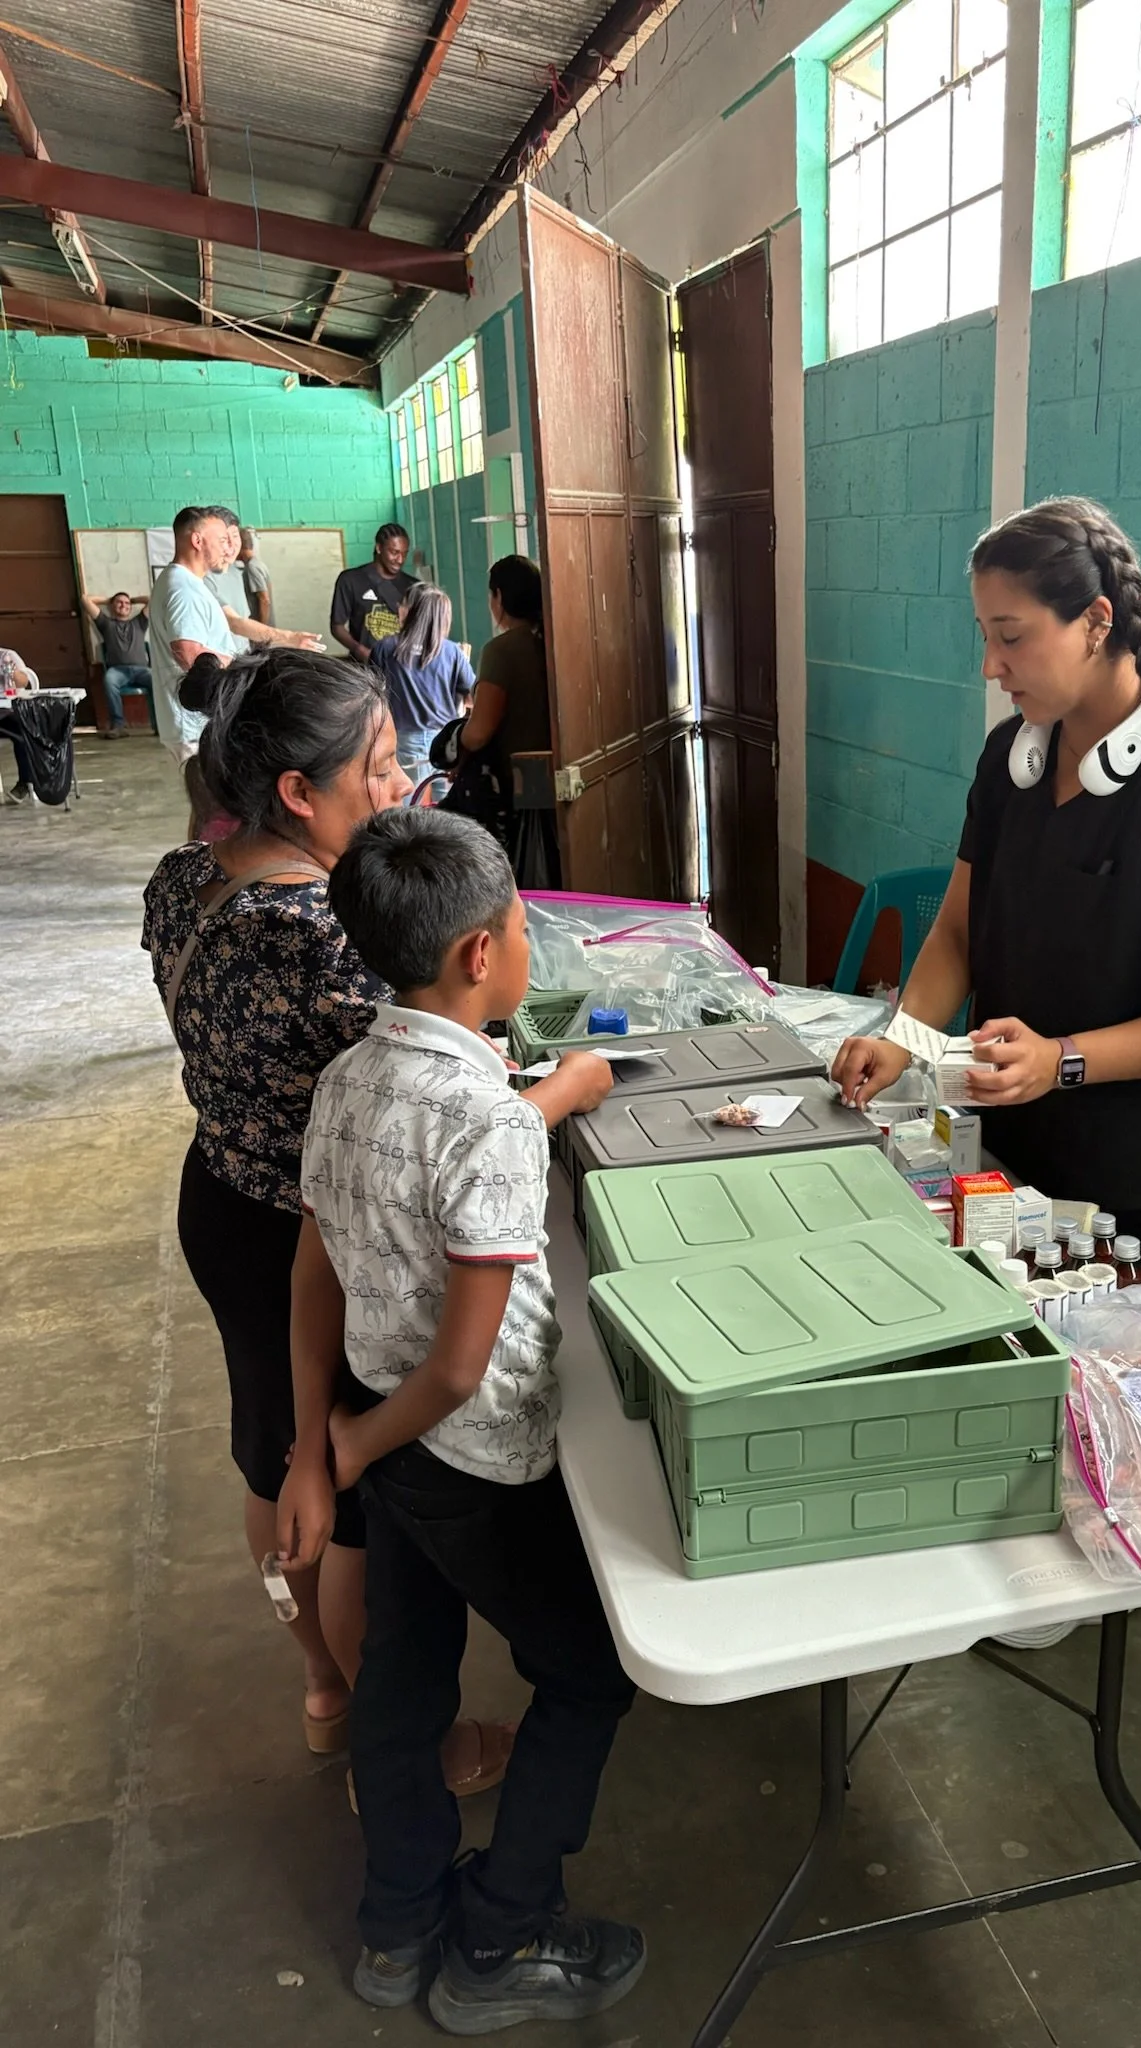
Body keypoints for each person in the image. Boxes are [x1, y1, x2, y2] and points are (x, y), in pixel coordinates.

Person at [279, 806, 643, 2031]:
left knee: (404, 1678)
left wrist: (322, 1444)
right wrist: (348, 1451)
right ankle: (502, 1933)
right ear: (483, 954)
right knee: (588, 1673)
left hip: (384, 1432)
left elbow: (314, 1268)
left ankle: (396, 1928)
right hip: (465, 1454)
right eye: (525, 924)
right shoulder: (483, 1119)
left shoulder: (348, 1077)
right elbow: (459, 1367)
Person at [141, 651, 513, 1797]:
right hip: (321, 1235)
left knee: (273, 1448)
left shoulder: (182, 877)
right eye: (383, 766)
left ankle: (326, 1690)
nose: (401, 783)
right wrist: (555, 1087)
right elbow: (444, 1094)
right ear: (300, 793)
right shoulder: (319, 932)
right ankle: (406, 1742)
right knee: (344, 1489)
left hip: (224, 1197)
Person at [833, 497, 1141, 1281]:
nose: (991, 666)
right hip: (1002, 1133)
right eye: (986, 638)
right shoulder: (1009, 761)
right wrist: (902, 1039)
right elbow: (957, 932)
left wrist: (1062, 1061)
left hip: (1119, 1175)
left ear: (1095, 621)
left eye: (1011, 637)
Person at [148, 506, 322, 831]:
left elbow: (232, 624)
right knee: (215, 810)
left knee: (210, 807)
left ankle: (206, 867)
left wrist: (285, 639)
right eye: (221, 539)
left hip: (199, 720)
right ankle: (207, 872)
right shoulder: (182, 588)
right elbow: (191, 654)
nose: (228, 547)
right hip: (197, 721)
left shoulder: (189, 583)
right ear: (198, 540)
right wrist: (247, 667)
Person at [453, 555, 559, 886]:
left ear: (499, 596)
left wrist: (456, 738)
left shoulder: (503, 649)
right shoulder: (556, 640)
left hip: (519, 784)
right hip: (562, 775)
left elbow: (479, 733)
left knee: (525, 877)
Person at [371, 584, 474, 795]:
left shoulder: (386, 648)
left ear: (414, 611)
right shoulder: (452, 652)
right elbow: (473, 697)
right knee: (447, 808)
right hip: (446, 738)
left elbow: (372, 694)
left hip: (403, 739)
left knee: (410, 802)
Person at [331, 524, 417, 661]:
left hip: (401, 665)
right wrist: (358, 649)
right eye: (394, 552)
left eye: (404, 554)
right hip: (364, 667)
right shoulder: (351, 580)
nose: (400, 560)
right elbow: (337, 626)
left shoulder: (414, 586)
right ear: (379, 548)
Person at [83, 590, 153, 738]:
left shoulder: (139, 622)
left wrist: (132, 599)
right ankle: (118, 726)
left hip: (142, 670)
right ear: (112, 606)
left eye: (127, 603)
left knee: (158, 681)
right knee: (109, 680)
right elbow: (85, 599)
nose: (124, 605)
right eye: (119, 602)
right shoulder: (105, 623)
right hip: (118, 671)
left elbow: (152, 599)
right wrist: (109, 600)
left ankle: (161, 726)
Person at [0, 645, 41, 802]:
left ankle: (26, 782)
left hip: (6, 713)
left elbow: (24, 682)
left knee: (22, 729)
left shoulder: (7, 655)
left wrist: (13, 673)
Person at [239, 527, 275, 626]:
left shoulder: (252, 567)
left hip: (260, 631)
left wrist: (261, 632)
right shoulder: (259, 564)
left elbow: (264, 600)